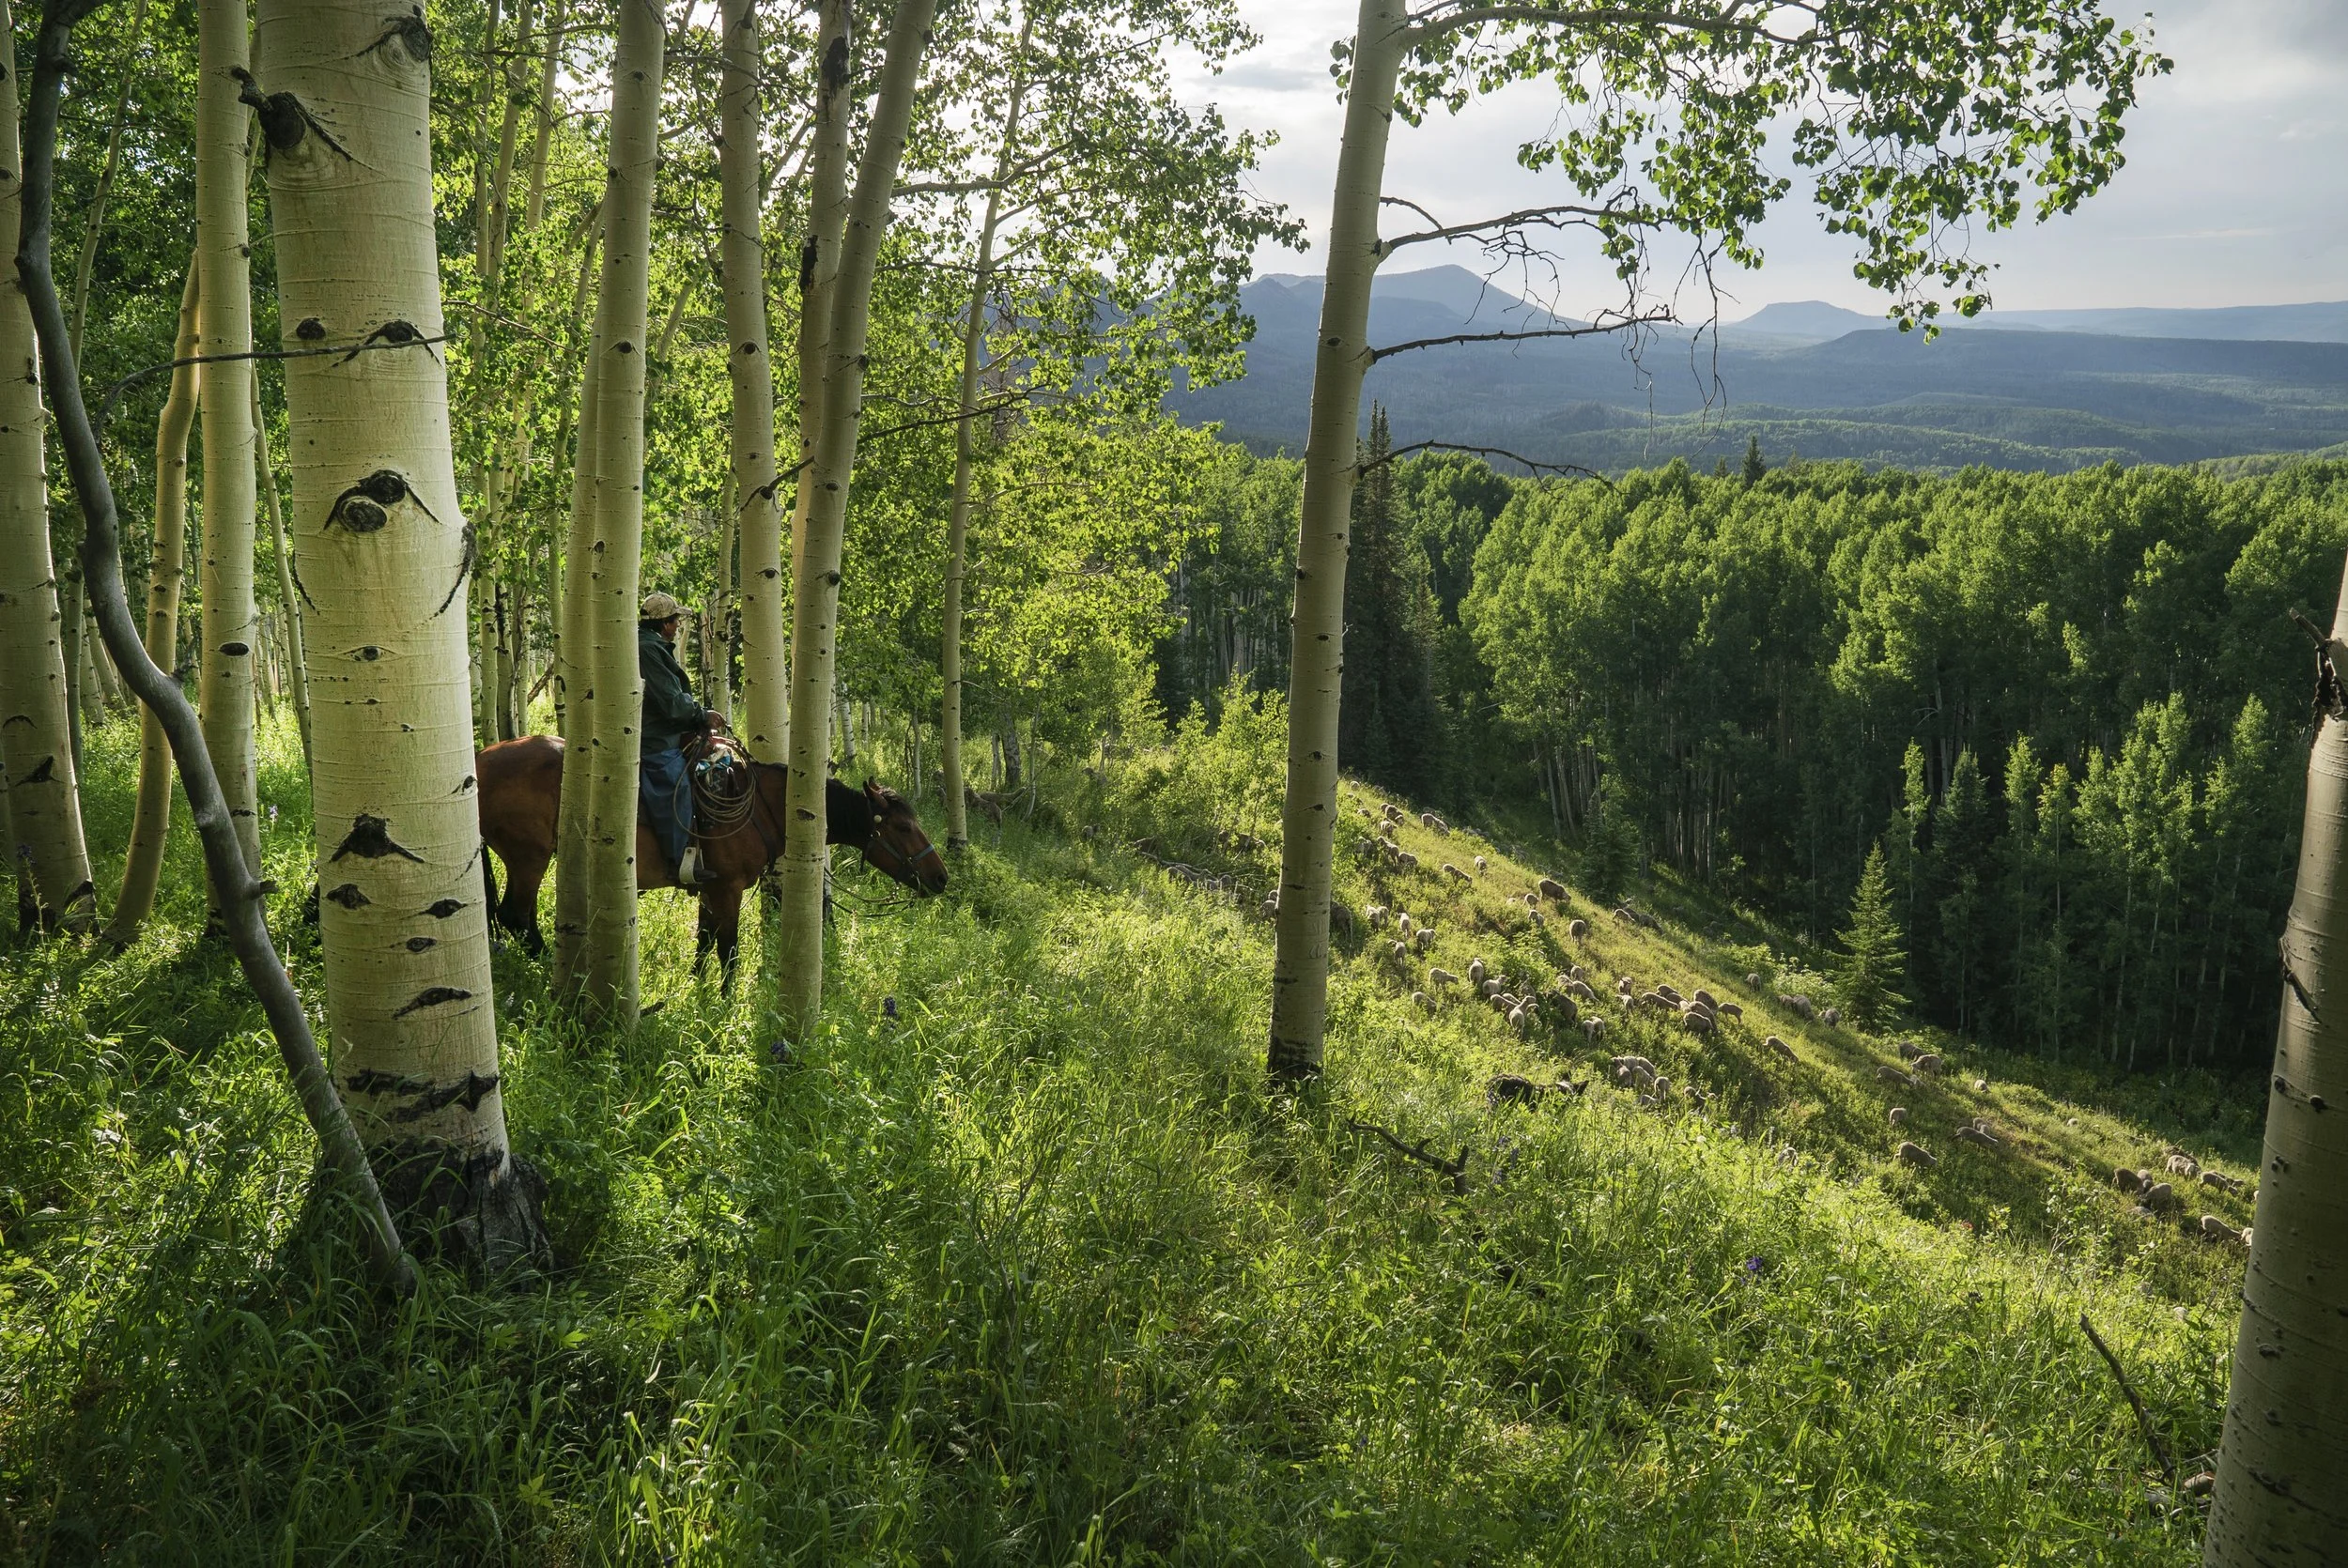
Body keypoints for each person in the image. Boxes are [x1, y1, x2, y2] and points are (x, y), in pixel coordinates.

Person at [637, 592, 726, 888]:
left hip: (660, 730)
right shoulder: (648, 650)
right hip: (655, 740)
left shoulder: (651, 645)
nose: (677, 626)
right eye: (675, 620)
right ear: (664, 624)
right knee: (676, 786)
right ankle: (678, 863)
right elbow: (672, 703)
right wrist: (702, 714)